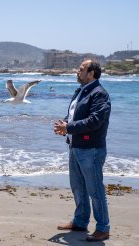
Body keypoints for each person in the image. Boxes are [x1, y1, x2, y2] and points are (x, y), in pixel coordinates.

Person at [54, 60, 111, 242]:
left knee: (95, 191)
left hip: (91, 149)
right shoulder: (81, 91)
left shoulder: (99, 94)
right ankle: (80, 221)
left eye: (81, 69)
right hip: (75, 146)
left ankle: (103, 228)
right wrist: (64, 124)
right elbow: (74, 115)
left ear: (91, 73)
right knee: (78, 188)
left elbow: (95, 121)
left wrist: (68, 127)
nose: (77, 71)